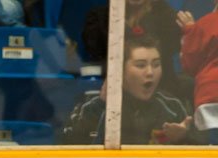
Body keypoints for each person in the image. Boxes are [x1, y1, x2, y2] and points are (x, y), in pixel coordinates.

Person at [62, 34, 196, 144]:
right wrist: (101, 105)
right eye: (140, 65)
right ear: (120, 70)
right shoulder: (91, 106)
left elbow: (199, 155)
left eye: (156, 64)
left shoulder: (173, 106)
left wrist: (182, 139)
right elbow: (67, 146)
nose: (150, 72)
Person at [82, 0, 187, 98]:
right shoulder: (100, 18)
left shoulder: (165, 16)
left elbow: (172, 47)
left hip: (160, 93)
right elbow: (94, 50)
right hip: (112, 93)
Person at [178, 2, 218, 144]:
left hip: (210, 95)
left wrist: (190, 30)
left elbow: (190, 65)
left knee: (210, 146)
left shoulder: (207, 23)